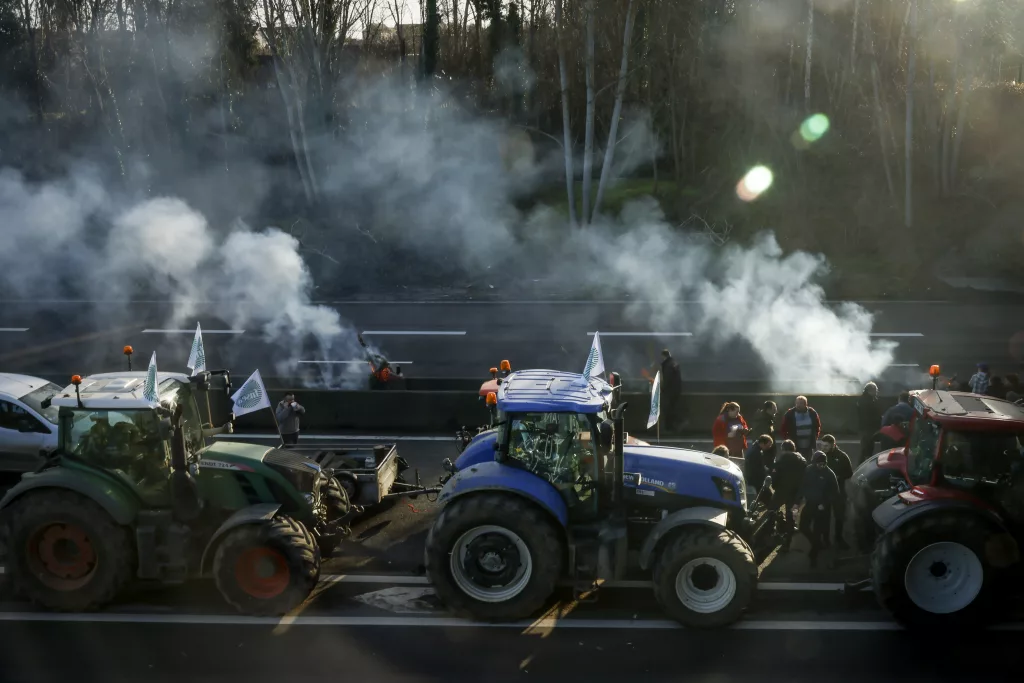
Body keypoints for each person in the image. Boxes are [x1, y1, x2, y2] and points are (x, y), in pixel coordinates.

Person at [799, 451, 840, 568]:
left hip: (822, 508)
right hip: (810, 504)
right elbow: (803, 485)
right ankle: (816, 543)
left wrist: (825, 503)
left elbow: (834, 492)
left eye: (823, 464)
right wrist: (799, 499)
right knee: (803, 526)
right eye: (819, 464)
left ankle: (814, 556)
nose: (821, 466)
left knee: (818, 531)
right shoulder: (809, 470)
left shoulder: (829, 474)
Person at [770, 439, 807, 549]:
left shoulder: (780, 460)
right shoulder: (802, 460)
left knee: (772, 510)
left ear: (783, 449)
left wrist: (775, 486)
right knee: (790, 516)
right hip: (795, 491)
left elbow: (775, 477)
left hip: (782, 490)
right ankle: (787, 542)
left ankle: (773, 531)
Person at [818, 434, 853, 550]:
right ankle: (825, 539)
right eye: (822, 445)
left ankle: (839, 538)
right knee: (824, 517)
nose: (823, 448)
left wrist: (838, 477)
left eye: (826, 446)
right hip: (824, 493)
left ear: (834, 445)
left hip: (838, 492)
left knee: (839, 516)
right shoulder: (819, 456)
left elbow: (849, 473)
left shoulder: (842, 456)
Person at [856, 382, 882, 465]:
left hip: (864, 428)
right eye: (875, 390)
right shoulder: (869, 402)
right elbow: (872, 416)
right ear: (870, 391)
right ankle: (861, 467)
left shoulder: (861, 400)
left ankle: (862, 466)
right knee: (867, 450)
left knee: (865, 449)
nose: (876, 392)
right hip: (868, 429)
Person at [660, 349, 683, 431]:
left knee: (668, 409)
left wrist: (662, 388)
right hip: (676, 391)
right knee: (673, 409)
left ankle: (669, 427)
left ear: (663, 356)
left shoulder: (668, 365)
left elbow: (667, 379)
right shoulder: (674, 363)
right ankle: (673, 426)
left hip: (669, 392)